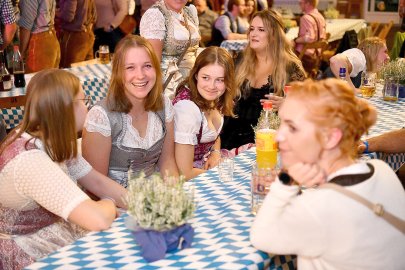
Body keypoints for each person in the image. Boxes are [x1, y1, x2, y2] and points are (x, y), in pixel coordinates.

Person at [250, 78, 405, 270]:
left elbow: (261, 236)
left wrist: (285, 182)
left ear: (331, 138)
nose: (278, 136)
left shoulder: (318, 208)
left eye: (292, 127)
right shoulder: (381, 170)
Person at [0, 69, 118, 269]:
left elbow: (95, 181)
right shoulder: (30, 161)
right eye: (84, 100)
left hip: (51, 234)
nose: (87, 107)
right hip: (29, 250)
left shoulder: (50, 139)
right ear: (66, 109)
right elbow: (98, 219)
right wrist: (110, 204)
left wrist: (140, 203)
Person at [82, 35, 179, 188]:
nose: (140, 75)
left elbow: (167, 161)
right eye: (130, 67)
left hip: (155, 195)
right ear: (118, 73)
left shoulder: (164, 104)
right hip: (114, 204)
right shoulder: (101, 116)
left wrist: (175, 194)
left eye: (147, 66)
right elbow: (95, 186)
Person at [220, 10, 305, 150]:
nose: (253, 34)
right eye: (252, 29)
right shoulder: (241, 60)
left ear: (274, 35)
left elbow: (306, 107)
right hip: (231, 138)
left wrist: (287, 104)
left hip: (267, 141)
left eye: (261, 30)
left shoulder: (290, 67)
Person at [172, 46, 237, 180]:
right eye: (206, 77)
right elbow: (185, 173)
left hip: (205, 165)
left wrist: (215, 153)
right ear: (196, 75)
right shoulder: (187, 109)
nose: (212, 86)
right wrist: (224, 176)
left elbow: (215, 135)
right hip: (186, 178)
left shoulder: (214, 97)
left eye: (220, 79)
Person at [140, 0, 200, 99]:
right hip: (170, 86)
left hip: (193, 82)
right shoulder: (155, 15)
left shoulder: (190, 12)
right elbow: (152, 63)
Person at [18, 0, 61, 73]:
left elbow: (26, 25)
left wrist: (20, 53)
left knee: (36, 81)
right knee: (50, 81)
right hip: (52, 37)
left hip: (39, 42)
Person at [58, 0, 97, 68]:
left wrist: (55, 13)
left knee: (69, 72)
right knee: (88, 71)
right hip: (87, 34)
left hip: (74, 37)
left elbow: (68, 16)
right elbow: (94, 16)